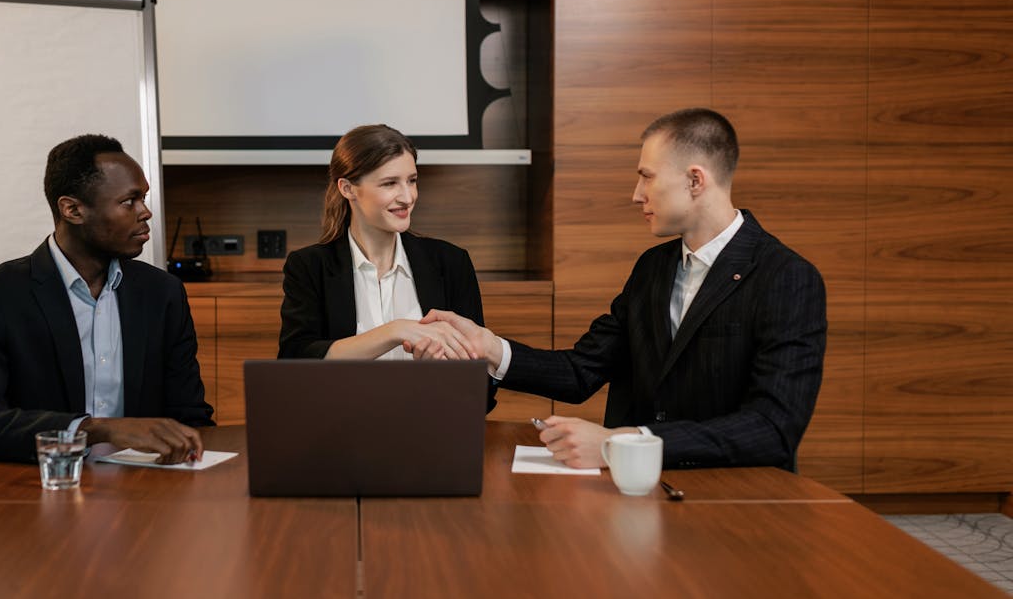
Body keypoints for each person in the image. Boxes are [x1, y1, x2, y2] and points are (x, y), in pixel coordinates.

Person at [423, 108, 826, 469]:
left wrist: (624, 443)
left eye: (646, 177)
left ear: (696, 180)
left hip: (739, 503)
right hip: (637, 493)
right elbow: (583, 370)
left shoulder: (786, 276)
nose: (637, 195)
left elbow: (772, 429)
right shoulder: (653, 267)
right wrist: (490, 347)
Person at [0, 134, 214, 463]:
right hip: (35, 494)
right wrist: (96, 429)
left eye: (144, 199)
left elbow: (190, 417)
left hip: (145, 493)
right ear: (72, 209)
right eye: (130, 201)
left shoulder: (162, 293)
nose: (145, 212)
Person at [278, 124, 496, 409]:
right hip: (337, 432)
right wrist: (395, 331)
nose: (407, 197)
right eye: (390, 183)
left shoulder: (451, 263)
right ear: (347, 188)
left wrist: (443, 370)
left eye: (412, 180)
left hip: (430, 428)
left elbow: (482, 391)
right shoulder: (309, 266)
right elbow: (294, 366)